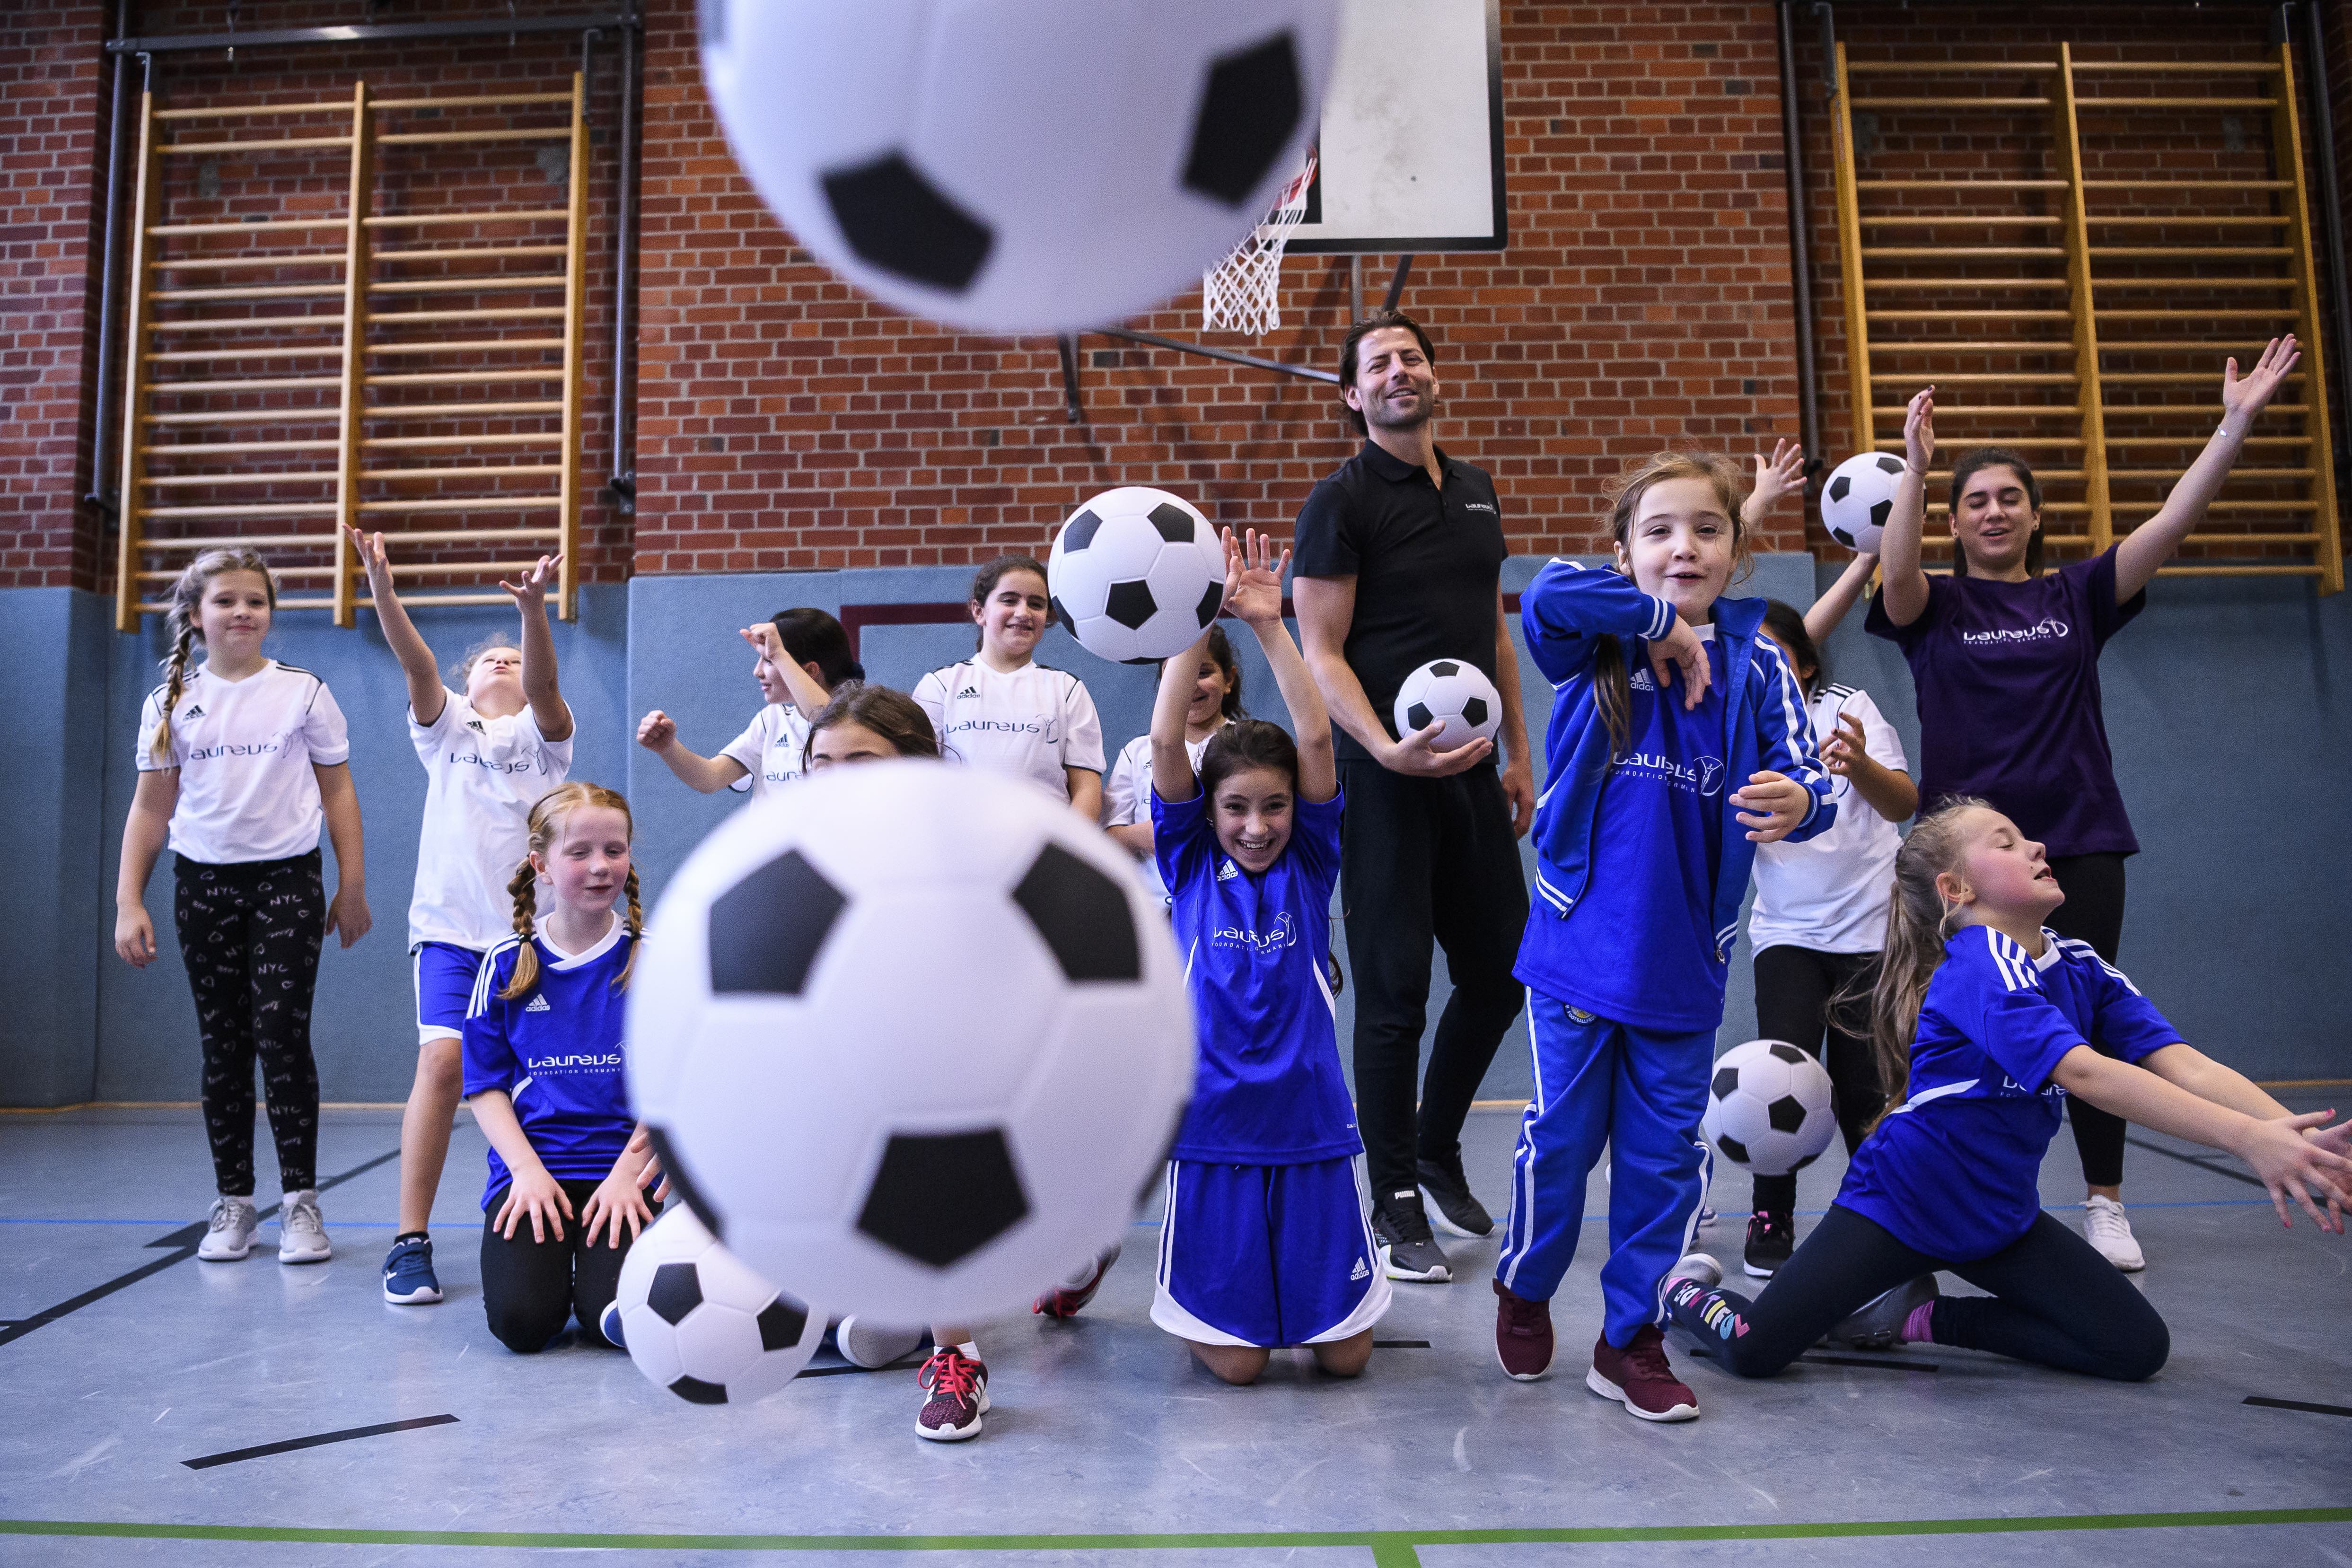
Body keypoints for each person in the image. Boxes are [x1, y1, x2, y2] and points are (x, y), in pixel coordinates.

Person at [1869, 336, 2301, 1271]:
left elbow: (2169, 525)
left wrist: (2233, 425)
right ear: (1953, 519)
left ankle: (2103, 1201)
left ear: (2033, 514)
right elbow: (1892, 575)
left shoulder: (2076, 594)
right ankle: (1934, 1194)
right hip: (1962, 862)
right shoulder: (1931, 606)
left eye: (2008, 498)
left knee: (2086, 1020)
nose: (1992, 511)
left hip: (2074, 843)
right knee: (1943, 1020)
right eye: (1973, 500)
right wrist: (1912, 470)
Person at [1661, 800, 2351, 1383]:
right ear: (1957, 889)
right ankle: (1681, 1288)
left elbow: (2182, 1063)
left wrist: (2292, 1132)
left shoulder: (2081, 965)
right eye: (2007, 841)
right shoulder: (1979, 964)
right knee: (1754, 1348)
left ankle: (1914, 1315)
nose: (2037, 844)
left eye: (2025, 837)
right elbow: (2083, 1072)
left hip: (1998, 1216)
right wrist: (2245, 1140)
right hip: (1901, 1204)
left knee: (2135, 1347)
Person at [1491, 451, 1834, 1423]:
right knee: (1558, 1141)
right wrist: (1658, 628)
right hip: (1574, 946)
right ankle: (1523, 1282)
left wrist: (1797, 798)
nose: (1682, 545)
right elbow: (1546, 591)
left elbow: (1814, 783)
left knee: (1659, 1163)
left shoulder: (1759, 658)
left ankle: (1628, 1336)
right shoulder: (1594, 636)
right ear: (1624, 552)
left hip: (1685, 960)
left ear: (1737, 551)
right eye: (1657, 530)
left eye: (1706, 529)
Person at [1292, 308, 1536, 1283]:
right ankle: (1392, 1195)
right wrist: (1384, 751)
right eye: (1378, 364)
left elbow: (1493, 629)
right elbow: (1318, 652)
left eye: (1412, 357)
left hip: (1473, 772)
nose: (1399, 371)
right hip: (1381, 776)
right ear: (1353, 396)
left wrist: (1520, 751)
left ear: (1434, 376)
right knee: (1392, 994)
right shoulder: (1340, 500)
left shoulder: (1473, 490)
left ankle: (1435, 1148)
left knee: (1502, 968)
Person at [1149, 529, 1390, 1384]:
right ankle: (1229, 1300)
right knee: (1242, 1371)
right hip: (1214, 1124)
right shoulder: (1185, 860)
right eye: (1238, 809)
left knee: (1348, 1361)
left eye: (1274, 807)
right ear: (1208, 813)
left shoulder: (1308, 860)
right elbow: (1167, 745)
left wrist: (1269, 622)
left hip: (1309, 1120)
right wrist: (1192, 628)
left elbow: (1318, 740)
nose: (1257, 826)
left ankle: (1297, 1293)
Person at [115, 549, 370, 1267]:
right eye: (226, 600)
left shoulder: (303, 692)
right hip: (205, 886)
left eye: (255, 601)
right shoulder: (170, 701)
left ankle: (299, 1203)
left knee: (281, 1034)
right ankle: (233, 1201)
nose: (242, 612)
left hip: (289, 881)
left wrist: (351, 885)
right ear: (197, 615)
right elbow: (150, 806)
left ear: (270, 614)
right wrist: (127, 897)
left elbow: (339, 791)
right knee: (224, 1046)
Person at [348, 529, 576, 1308]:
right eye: (488, 661)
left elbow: (544, 685)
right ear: (465, 684)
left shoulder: (545, 746)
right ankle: (410, 1241)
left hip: (528, 940)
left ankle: (545, 1214)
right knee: (443, 1068)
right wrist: (381, 583)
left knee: (533, 1082)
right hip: (449, 934)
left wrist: (533, 613)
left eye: (510, 658)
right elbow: (414, 662)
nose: (503, 665)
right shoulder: (446, 736)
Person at [1739, 567, 1916, 1277]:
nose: (1758, 663)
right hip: (1785, 932)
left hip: (1872, 931)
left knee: (1866, 1087)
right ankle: (1770, 1210)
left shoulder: (1848, 706)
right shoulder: (1734, 724)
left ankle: (1873, 1216)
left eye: (1774, 651)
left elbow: (1903, 802)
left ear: (1806, 665)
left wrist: (1860, 763)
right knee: (1779, 1080)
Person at [462, 782, 656, 1355]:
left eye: (614, 851)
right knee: (522, 1325)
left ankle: (603, 1272)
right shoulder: (506, 963)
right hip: (534, 1171)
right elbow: (485, 1086)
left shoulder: (656, 959)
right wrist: (523, 1171)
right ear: (541, 865)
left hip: (623, 1172)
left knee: (611, 1323)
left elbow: (678, 1090)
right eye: (580, 853)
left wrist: (627, 1177)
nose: (601, 867)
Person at [912, 555, 1105, 821]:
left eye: (1036, 604)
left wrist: (1066, 853)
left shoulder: (1067, 689)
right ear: (979, 611)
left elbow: (1087, 789)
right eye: (1009, 600)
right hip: (960, 845)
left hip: (1044, 851)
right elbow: (917, 779)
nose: (1023, 613)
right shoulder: (940, 686)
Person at [637, 609, 859, 797]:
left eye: (769, 660)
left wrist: (780, 653)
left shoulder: (859, 721)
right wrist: (668, 748)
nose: (757, 672)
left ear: (810, 670)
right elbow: (710, 778)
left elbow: (830, 724)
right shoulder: (771, 719)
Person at [1103, 624, 1242, 902]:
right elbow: (1108, 837)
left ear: (1228, 679)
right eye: (1179, 675)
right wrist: (1144, 836)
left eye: (1203, 672)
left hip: (1225, 906)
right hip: (1153, 907)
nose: (1190, 684)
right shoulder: (1137, 752)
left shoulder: (1249, 746)